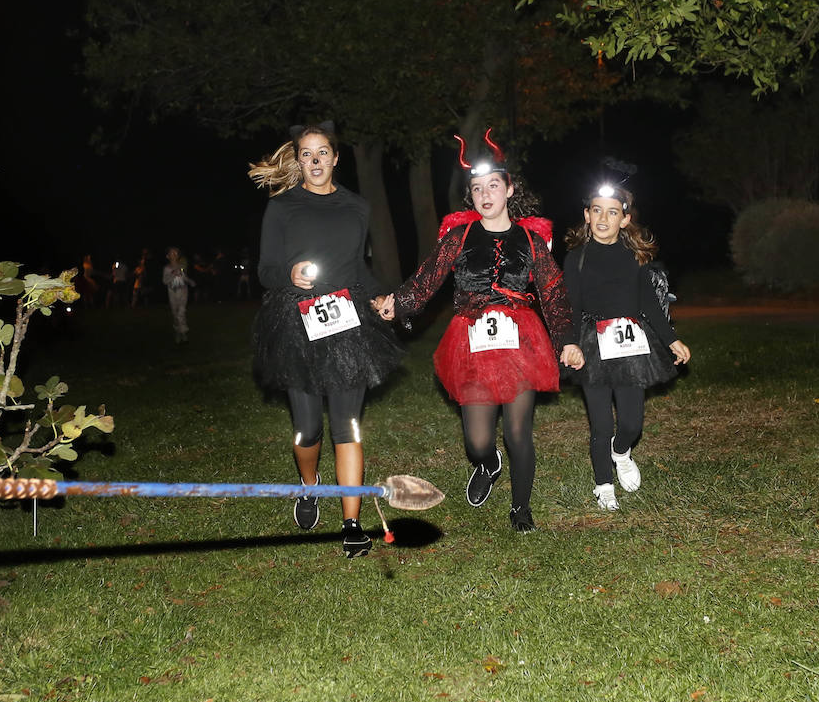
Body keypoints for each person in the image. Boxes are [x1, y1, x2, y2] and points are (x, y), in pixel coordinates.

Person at [375, 130, 582, 533]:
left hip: (521, 341)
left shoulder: (531, 241)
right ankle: (488, 464)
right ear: (470, 195)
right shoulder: (460, 236)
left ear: (509, 188)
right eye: (477, 188)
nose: (485, 194)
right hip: (470, 341)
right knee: (478, 442)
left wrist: (568, 340)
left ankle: (521, 509)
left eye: (493, 186)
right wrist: (397, 304)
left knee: (519, 432)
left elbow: (554, 293)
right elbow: (426, 279)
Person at [250, 122, 403, 557]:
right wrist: (288, 275)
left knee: (347, 425)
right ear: (298, 161)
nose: (315, 161)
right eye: (306, 154)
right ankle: (309, 484)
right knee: (307, 429)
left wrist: (377, 297)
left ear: (336, 158)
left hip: (346, 322)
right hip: (295, 324)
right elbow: (265, 270)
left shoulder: (357, 206)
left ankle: (352, 523)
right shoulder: (282, 207)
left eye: (323, 153)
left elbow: (357, 267)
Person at [562, 181, 691, 510]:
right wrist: (570, 343)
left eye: (612, 212)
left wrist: (671, 338)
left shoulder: (634, 257)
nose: (603, 218)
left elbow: (649, 303)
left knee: (632, 423)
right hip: (592, 344)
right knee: (601, 423)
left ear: (625, 219)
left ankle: (621, 453)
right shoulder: (576, 259)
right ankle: (603, 484)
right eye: (596, 210)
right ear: (587, 216)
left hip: (630, 344)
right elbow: (570, 309)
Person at [163, 246, 196, 343]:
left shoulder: (181, 266)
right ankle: (177, 331)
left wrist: (190, 281)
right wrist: (173, 274)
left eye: (176, 253)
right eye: (171, 253)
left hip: (183, 291)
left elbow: (184, 277)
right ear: (168, 256)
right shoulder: (167, 268)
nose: (174, 255)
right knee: (175, 313)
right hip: (172, 292)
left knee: (181, 312)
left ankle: (183, 333)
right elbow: (165, 281)